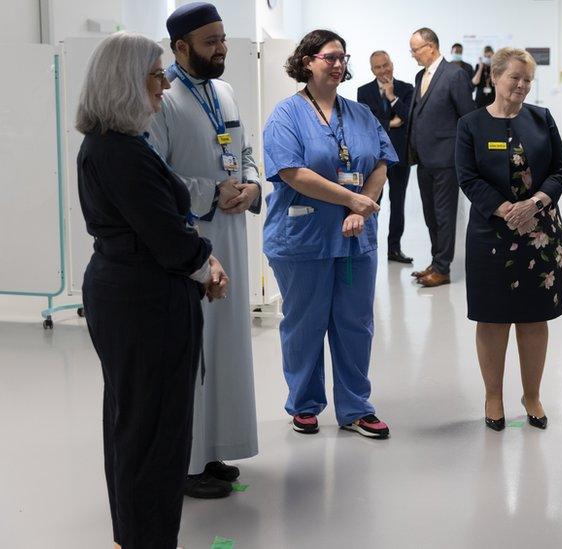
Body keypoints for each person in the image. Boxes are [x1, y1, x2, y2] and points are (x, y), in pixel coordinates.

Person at [76, 31, 228, 548]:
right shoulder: (120, 152)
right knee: (154, 432)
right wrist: (206, 268)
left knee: (133, 422)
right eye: (156, 75)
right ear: (126, 82)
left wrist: (198, 260)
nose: (164, 86)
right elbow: (165, 235)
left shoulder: (113, 145)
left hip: (129, 294)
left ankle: (134, 535)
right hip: (145, 302)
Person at [149, 0, 260, 501]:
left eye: (223, 39)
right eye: (211, 41)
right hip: (190, 242)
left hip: (233, 237)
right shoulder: (162, 99)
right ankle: (186, 461)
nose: (222, 49)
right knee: (193, 353)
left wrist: (252, 186)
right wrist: (210, 192)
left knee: (225, 349)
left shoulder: (225, 91)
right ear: (180, 47)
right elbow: (154, 176)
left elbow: (244, 151)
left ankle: (213, 450)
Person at [263, 29, 394, 439]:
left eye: (343, 58)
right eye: (329, 57)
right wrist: (349, 201)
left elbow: (380, 164)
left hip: (355, 238)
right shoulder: (286, 115)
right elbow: (292, 172)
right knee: (305, 323)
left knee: (355, 322)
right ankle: (304, 404)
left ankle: (356, 406)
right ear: (307, 61)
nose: (338, 65)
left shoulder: (360, 114)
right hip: (303, 238)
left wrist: (365, 205)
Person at [455, 48, 562, 431]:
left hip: (540, 233)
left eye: (527, 80)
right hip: (492, 233)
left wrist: (534, 204)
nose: (521, 86)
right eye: (514, 78)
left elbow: (560, 168)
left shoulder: (542, 119)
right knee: (492, 318)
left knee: (534, 318)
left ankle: (532, 394)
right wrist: (507, 209)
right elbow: (468, 177)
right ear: (494, 78)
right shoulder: (471, 125)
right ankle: (493, 395)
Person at [407, 27, 477, 287]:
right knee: (430, 214)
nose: (412, 55)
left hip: (446, 159)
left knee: (444, 215)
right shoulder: (419, 76)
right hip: (423, 159)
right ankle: (437, 261)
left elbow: (467, 117)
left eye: (415, 50)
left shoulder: (454, 75)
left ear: (431, 47)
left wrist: (465, 155)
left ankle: (443, 268)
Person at [357, 51, 415, 264]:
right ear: (372, 70)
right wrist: (392, 123)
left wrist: (392, 97)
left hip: (400, 156)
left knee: (398, 203)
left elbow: (410, 118)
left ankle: (394, 249)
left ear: (392, 64)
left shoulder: (406, 89)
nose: (383, 70)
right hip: (375, 158)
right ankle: (368, 246)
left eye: (385, 65)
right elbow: (366, 123)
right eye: (378, 67)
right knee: (371, 202)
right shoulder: (363, 92)